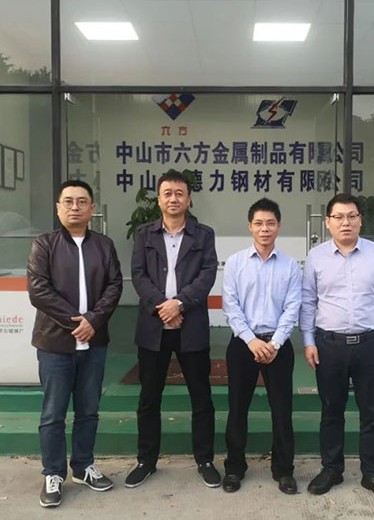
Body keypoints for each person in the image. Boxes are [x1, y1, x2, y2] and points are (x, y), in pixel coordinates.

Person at [301, 193, 374, 504]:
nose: (345, 222)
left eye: (352, 216)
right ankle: (332, 469)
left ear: (361, 220)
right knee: (331, 412)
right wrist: (308, 342)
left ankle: (373, 474)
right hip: (328, 345)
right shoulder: (316, 257)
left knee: (372, 413)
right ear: (328, 222)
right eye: (338, 217)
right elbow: (308, 302)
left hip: (370, 345)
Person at [27, 179, 123, 508]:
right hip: (55, 343)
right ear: (58, 208)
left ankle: (83, 466)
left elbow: (114, 286)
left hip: (94, 343)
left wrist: (93, 321)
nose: (75, 207)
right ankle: (53, 473)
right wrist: (76, 323)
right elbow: (38, 290)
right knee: (53, 413)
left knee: (89, 410)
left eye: (82, 201)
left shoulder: (104, 246)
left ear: (92, 208)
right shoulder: (44, 244)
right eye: (68, 201)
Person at [126, 170, 220, 489]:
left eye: (179, 193)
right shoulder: (144, 234)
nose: (173, 198)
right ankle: (146, 461)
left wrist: (179, 304)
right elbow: (138, 275)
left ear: (189, 199)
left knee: (201, 397)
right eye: (167, 193)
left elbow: (207, 274)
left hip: (190, 326)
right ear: (159, 199)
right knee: (149, 398)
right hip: (154, 327)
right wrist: (162, 306)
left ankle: (205, 460)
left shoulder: (203, 235)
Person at [221, 198, 302, 495]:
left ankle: (284, 470)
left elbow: (293, 307)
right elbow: (231, 306)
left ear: (278, 226)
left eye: (270, 223)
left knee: (281, 410)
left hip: (278, 346)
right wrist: (252, 340)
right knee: (237, 408)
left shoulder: (291, 266)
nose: (264, 228)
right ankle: (234, 468)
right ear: (250, 226)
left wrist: (275, 342)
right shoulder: (235, 263)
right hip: (243, 343)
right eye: (259, 223)